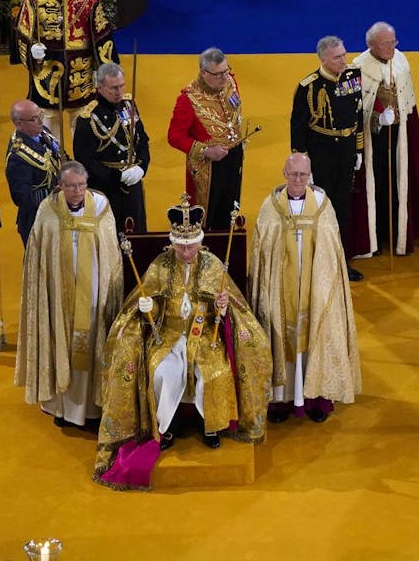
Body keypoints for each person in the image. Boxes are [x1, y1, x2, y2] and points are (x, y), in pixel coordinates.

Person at [94, 195, 271, 489]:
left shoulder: (214, 265)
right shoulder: (161, 266)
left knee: (212, 374)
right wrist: (147, 308)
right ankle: (168, 426)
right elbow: (141, 301)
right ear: (173, 243)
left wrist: (223, 307)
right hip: (169, 337)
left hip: (205, 339)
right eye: (181, 246)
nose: (187, 252)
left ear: (200, 242)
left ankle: (210, 427)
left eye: (191, 246)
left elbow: (234, 307)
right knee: (164, 372)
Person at [250, 153, 361, 424]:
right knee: (281, 334)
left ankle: (316, 398)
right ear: (284, 173)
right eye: (293, 174)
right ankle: (281, 399)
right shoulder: (270, 207)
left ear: (310, 175)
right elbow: (262, 253)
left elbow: (332, 251)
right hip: (282, 292)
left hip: (314, 290)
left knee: (316, 333)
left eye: (303, 175)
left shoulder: (323, 205)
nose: (298, 180)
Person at [14, 160, 124, 429]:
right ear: (60, 186)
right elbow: (39, 256)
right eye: (71, 186)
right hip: (58, 295)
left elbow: (111, 252)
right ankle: (62, 408)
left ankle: (92, 408)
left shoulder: (101, 206)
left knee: (92, 341)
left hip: (94, 291)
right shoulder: (48, 210)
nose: (77, 191)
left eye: (81, 185)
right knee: (60, 340)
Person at [13, 0, 119, 144]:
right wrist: (33, 51)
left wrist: (104, 72)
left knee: (85, 134)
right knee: (45, 135)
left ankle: (82, 173)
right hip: (46, 75)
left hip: (82, 74)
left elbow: (102, 34)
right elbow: (24, 31)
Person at [350, 22, 419, 256]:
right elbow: (358, 109)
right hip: (373, 141)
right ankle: (373, 237)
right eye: (385, 43)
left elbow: (408, 100)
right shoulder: (359, 68)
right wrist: (376, 119)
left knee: (399, 182)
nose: (391, 47)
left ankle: (399, 230)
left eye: (393, 42)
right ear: (371, 44)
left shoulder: (401, 61)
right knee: (376, 185)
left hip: (400, 136)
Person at [290, 35, 365, 281]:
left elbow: (359, 114)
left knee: (344, 207)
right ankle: (317, 261)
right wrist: (304, 164)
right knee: (320, 208)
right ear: (323, 59)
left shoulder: (354, 75)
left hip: (345, 152)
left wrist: (358, 150)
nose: (344, 60)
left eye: (344, 54)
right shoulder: (308, 87)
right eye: (337, 57)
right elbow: (298, 127)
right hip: (321, 155)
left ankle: (341, 259)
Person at [167, 47, 247, 230]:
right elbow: (174, 136)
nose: (225, 77)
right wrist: (205, 150)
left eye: (226, 71)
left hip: (233, 157)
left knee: (231, 208)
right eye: (218, 74)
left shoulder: (230, 81)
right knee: (208, 216)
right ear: (203, 73)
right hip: (207, 168)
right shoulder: (188, 99)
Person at [73, 62, 151, 234]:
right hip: (106, 188)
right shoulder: (88, 118)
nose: (119, 92)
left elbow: (142, 139)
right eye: (113, 88)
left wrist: (142, 167)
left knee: (136, 231)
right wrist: (117, 176)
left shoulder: (129, 105)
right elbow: (85, 161)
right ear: (99, 87)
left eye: (122, 86)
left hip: (133, 183)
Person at [4, 99, 67, 245]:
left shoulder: (43, 132)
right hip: (38, 221)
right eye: (34, 119)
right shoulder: (17, 157)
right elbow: (23, 198)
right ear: (18, 124)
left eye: (41, 116)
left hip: (58, 213)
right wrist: (56, 192)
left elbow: (61, 156)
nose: (40, 121)